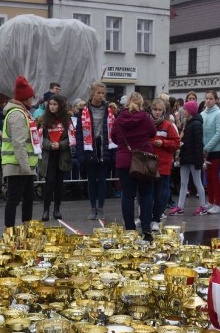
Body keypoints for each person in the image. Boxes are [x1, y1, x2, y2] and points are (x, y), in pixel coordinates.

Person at [111, 92, 156, 241]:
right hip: (143, 159)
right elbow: (152, 133)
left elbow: (114, 137)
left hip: (124, 159)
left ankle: (130, 229)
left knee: (128, 195)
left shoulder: (119, 119)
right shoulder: (145, 117)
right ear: (141, 104)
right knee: (146, 194)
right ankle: (146, 229)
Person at [2, 76, 39, 228]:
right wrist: (25, 167)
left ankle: (26, 228)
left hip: (24, 165)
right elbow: (19, 143)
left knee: (28, 198)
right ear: (26, 98)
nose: (33, 100)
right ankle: (10, 231)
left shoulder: (22, 112)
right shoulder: (17, 114)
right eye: (31, 97)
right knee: (14, 199)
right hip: (18, 165)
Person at [76, 81, 116, 220]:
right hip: (90, 148)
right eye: (98, 93)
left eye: (103, 93)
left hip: (104, 147)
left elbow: (114, 131)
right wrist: (81, 153)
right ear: (92, 93)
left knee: (103, 181)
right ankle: (93, 208)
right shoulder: (84, 111)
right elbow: (79, 134)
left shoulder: (109, 110)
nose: (101, 96)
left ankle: (101, 207)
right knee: (92, 180)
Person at [170, 100, 207, 217]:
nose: (183, 111)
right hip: (186, 157)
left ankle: (203, 206)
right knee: (184, 182)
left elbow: (198, 144)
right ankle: (180, 206)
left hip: (192, 158)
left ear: (190, 111)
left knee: (197, 182)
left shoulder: (195, 124)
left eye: (185, 109)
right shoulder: (189, 123)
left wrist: (198, 161)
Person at [38, 94, 71, 221]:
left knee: (59, 184)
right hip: (49, 154)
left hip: (62, 154)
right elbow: (40, 138)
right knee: (49, 183)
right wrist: (50, 145)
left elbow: (71, 138)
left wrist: (60, 144)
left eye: (55, 104)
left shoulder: (67, 120)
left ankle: (57, 209)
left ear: (60, 105)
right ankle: (46, 210)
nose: (52, 107)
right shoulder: (43, 120)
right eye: (50, 104)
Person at [150, 97, 180, 230]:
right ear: (151, 110)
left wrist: (164, 143)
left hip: (163, 165)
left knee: (159, 195)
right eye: (155, 109)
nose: (157, 112)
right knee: (146, 194)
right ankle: (144, 217)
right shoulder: (146, 124)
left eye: (160, 110)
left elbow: (176, 143)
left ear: (163, 111)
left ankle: (156, 218)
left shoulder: (168, 125)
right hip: (148, 164)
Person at [201, 91, 220, 214]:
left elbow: (218, 133)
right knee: (208, 177)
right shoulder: (202, 114)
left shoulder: (219, 114)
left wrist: (207, 148)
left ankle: (217, 203)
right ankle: (210, 201)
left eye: (211, 98)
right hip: (206, 150)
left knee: (214, 176)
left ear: (216, 100)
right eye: (207, 98)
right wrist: (203, 148)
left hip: (216, 150)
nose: (208, 100)